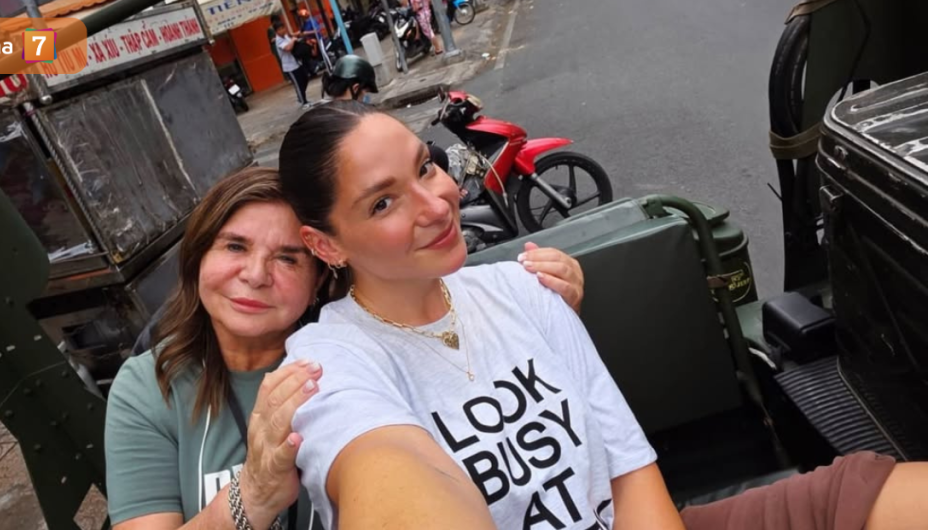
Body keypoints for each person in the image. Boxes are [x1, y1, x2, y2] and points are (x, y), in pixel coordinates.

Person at [274, 100, 928, 530]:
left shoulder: (526, 286)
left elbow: (629, 473)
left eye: (426, 168)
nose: (436, 205)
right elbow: (383, 476)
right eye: (383, 203)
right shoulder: (327, 365)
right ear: (325, 245)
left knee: (878, 494)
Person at [98, 165, 586, 530]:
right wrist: (252, 497)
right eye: (235, 246)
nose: (255, 275)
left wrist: (544, 309)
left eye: (288, 258)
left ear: (318, 279)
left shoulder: (365, 350)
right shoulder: (149, 388)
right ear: (198, 255)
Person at [273, 21, 311, 108]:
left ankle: (301, 97)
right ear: (276, 31)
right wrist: (293, 40)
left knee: (305, 79)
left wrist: (296, 38)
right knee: (298, 84)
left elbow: (293, 38)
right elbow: (288, 48)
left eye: (283, 28)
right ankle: (303, 102)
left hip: (296, 62)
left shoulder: (285, 36)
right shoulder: (278, 41)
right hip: (289, 66)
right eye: (280, 29)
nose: (282, 30)